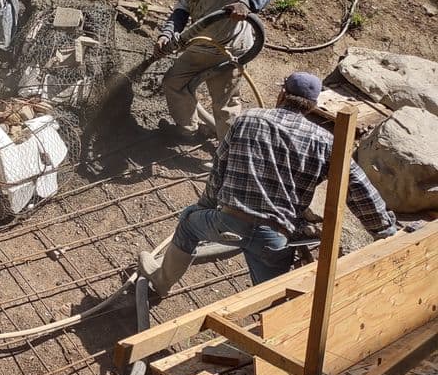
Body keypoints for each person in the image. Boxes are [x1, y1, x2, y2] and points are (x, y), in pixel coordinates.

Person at [138, 72, 399, 294]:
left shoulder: (248, 118)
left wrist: (205, 207)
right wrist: (384, 231)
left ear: (282, 95)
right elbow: (357, 186)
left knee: (188, 222)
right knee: (269, 299)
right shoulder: (326, 142)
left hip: (228, 224)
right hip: (275, 238)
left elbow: (220, 167)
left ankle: (160, 283)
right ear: (311, 104)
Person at [156, 0, 275, 141]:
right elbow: (179, 14)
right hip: (200, 47)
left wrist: (246, 4)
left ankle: (227, 154)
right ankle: (189, 130)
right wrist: (166, 34)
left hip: (229, 49)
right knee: (173, 83)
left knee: (224, 105)